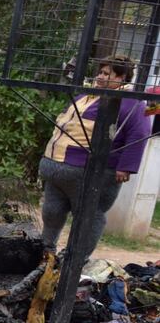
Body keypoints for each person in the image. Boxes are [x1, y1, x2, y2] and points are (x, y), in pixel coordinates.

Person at [39, 55, 151, 258]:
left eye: (106, 73)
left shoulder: (131, 103)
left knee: (88, 217)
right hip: (57, 168)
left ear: (122, 77)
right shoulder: (87, 96)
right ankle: (46, 252)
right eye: (100, 71)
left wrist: (125, 167)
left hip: (93, 172)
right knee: (51, 211)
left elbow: (140, 133)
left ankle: (74, 260)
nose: (99, 76)